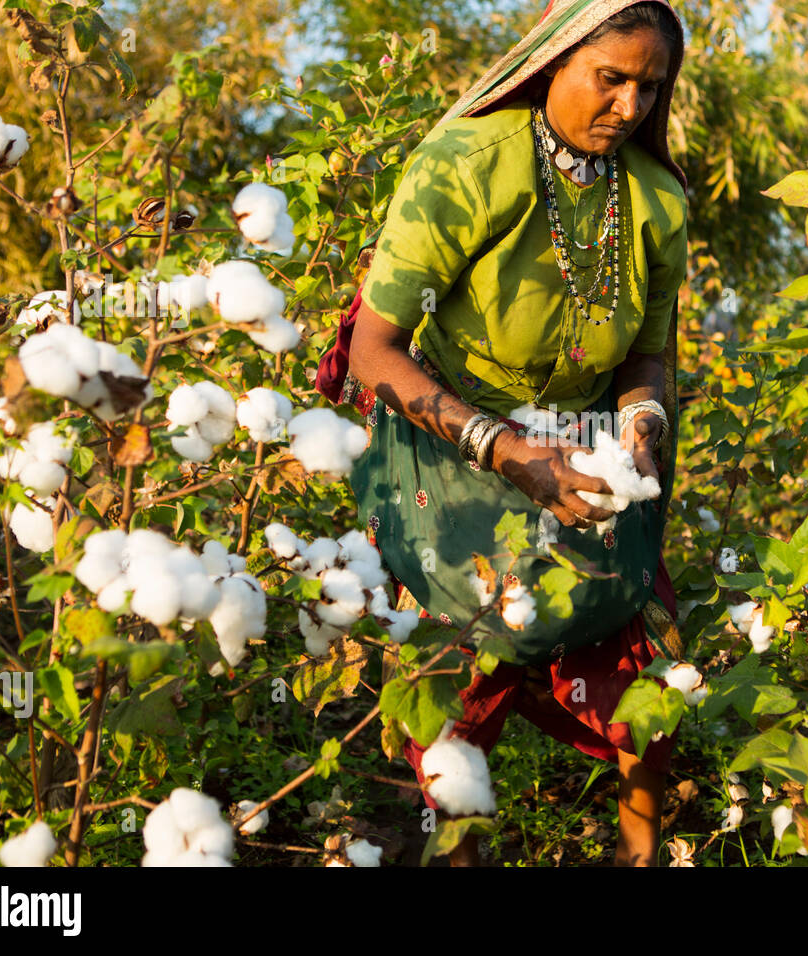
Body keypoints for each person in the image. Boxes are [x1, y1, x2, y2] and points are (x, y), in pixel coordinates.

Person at [315, 0, 689, 866]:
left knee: (638, 680)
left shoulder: (656, 200)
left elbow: (647, 354)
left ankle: (643, 858)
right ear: (555, 61)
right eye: (611, 78)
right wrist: (508, 452)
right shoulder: (469, 167)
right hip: (450, 446)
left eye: (650, 87)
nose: (629, 107)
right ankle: (458, 857)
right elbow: (374, 349)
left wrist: (639, 429)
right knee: (458, 691)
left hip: (584, 454)